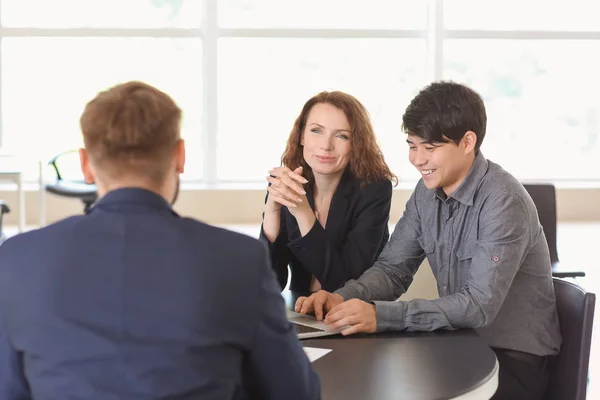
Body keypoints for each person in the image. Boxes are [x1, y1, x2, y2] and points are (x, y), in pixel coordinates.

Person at [0, 81, 320, 400]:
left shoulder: (18, 257)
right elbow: (295, 391)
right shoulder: (237, 258)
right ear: (179, 156)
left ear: (85, 164)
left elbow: (9, 388)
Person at [296, 81, 561, 399]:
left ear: (467, 142)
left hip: (515, 362)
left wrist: (380, 315)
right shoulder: (426, 193)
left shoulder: (503, 200)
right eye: (412, 145)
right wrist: (341, 298)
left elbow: (478, 306)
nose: (418, 159)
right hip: (460, 344)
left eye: (430, 148)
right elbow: (393, 269)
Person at [260, 91, 397, 299]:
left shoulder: (374, 190)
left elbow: (343, 284)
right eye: (316, 131)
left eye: (342, 135)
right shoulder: (289, 183)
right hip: (301, 308)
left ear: (356, 144)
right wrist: (271, 214)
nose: (326, 146)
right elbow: (269, 285)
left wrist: (304, 213)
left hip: (353, 313)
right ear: (301, 136)